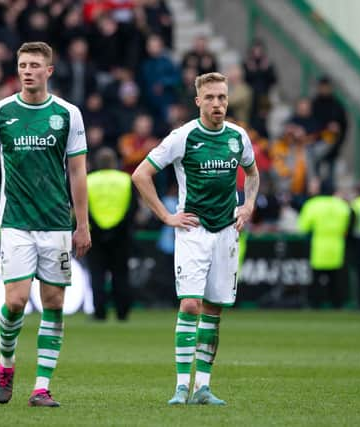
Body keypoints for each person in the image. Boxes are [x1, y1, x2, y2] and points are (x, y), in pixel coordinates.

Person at [131, 72, 260, 405]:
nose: (217, 103)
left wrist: (247, 205)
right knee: (190, 303)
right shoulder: (183, 136)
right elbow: (141, 174)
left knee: (214, 309)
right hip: (193, 230)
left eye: (222, 97)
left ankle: (203, 386)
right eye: (211, 98)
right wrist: (166, 216)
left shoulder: (238, 137)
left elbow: (253, 173)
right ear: (198, 101)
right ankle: (180, 387)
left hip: (227, 232)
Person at [0, 41, 91, 408]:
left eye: (35, 65)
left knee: (54, 302)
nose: (27, 71)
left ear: (49, 71)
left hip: (56, 223)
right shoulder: (0, 112)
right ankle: (6, 364)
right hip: (16, 221)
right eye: (23, 65)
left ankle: (41, 386)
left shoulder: (68, 114)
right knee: (16, 301)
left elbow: (77, 171)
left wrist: (82, 224)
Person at [86, 147, 135, 321]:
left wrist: (98, 227)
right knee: (121, 274)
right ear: (115, 162)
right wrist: (120, 227)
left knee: (97, 274)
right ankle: (122, 311)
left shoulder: (88, 180)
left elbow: (83, 208)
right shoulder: (126, 180)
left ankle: (100, 311)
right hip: (121, 235)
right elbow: (132, 208)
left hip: (95, 235)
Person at [298, 179, 352, 308]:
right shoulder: (342, 206)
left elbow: (303, 227)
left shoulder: (312, 204)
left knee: (316, 280)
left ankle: (315, 305)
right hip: (337, 247)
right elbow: (348, 226)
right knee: (336, 281)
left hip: (319, 247)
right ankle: (337, 306)